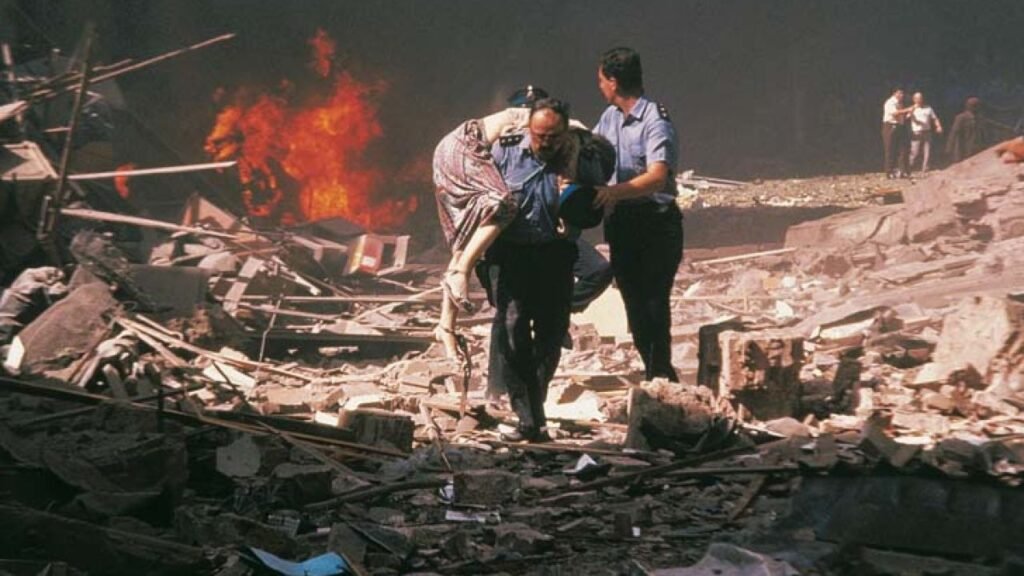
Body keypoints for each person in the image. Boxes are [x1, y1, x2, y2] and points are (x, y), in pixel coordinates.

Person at [481, 98, 578, 442]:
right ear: (528, 130)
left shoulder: (576, 153)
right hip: (513, 254)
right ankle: (528, 416)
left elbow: (594, 198)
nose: (545, 143)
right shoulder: (505, 152)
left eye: (553, 137)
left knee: (553, 333)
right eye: (539, 136)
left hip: (554, 254)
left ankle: (533, 402)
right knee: (513, 329)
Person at [592, 47, 682, 382]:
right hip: (623, 223)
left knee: (654, 303)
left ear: (614, 82)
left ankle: (662, 378)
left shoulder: (655, 120)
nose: (600, 86)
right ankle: (653, 373)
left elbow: (657, 177)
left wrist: (612, 192)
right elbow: (591, 151)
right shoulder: (609, 118)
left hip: (655, 223)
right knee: (634, 305)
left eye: (602, 80)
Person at [431, 88, 543, 358]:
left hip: (446, 153)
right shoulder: (526, 116)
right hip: (462, 148)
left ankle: (446, 326)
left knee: (469, 239)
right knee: (504, 205)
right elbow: (567, 127)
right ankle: (461, 273)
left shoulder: (512, 121)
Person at [881, 88, 914, 178]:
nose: (901, 95)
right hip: (890, 126)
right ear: (894, 93)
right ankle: (889, 172)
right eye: (899, 93)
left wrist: (909, 114)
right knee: (890, 150)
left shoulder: (900, 104)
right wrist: (908, 109)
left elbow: (901, 116)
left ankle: (902, 171)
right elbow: (894, 113)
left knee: (902, 149)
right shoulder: (890, 102)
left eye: (902, 93)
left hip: (900, 126)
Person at [908, 92, 943, 173]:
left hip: (927, 131)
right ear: (914, 99)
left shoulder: (928, 108)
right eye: (917, 98)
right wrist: (912, 113)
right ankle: (909, 166)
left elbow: (934, 118)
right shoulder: (911, 108)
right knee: (915, 152)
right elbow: (907, 117)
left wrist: (938, 126)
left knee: (927, 151)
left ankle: (925, 168)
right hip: (916, 132)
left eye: (920, 98)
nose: (919, 100)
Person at [946, 96, 985, 164]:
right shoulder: (961, 118)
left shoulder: (979, 118)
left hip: (976, 148)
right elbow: (954, 133)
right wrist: (949, 148)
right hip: (963, 149)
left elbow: (982, 133)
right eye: (976, 106)